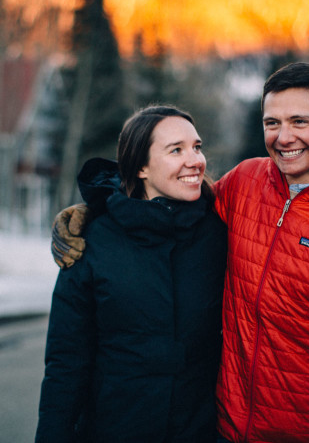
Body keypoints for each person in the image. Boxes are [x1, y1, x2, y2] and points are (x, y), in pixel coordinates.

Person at [52, 63, 309, 442]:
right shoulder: (246, 182)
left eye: (299, 121)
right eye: (272, 123)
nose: (284, 137)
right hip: (225, 430)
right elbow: (173, 200)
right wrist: (96, 212)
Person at [35, 105, 228, 443]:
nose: (195, 160)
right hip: (113, 430)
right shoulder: (92, 242)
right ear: (140, 166)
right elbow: (66, 365)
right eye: (176, 150)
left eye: (196, 147)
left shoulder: (221, 232)